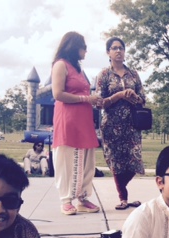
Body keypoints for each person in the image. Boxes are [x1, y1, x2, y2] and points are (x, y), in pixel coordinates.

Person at [51, 31, 101, 215]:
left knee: (87, 159)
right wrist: (86, 98)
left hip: (84, 120)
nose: (86, 52)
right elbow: (58, 94)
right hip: (68, 119)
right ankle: (66, 200)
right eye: (84, 47)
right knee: (67, 159)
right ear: (74, 46)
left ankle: (83, 198)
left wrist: (92, 100)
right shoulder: (60, 65)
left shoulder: (79, 69)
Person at [96, 37, 146, 210]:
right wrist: (118, 96)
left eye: (121, 48)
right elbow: (99, 102)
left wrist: (135, 97)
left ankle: (122, 190)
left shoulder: (133, 74)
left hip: (132, 125)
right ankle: (123, 198)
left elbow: (143, 100)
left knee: (135, 161)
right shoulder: (104, 75)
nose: (118, 51)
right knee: (116, 162)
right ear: (108, 53)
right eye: (114, 48)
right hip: (111, 125)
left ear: (125, 52)